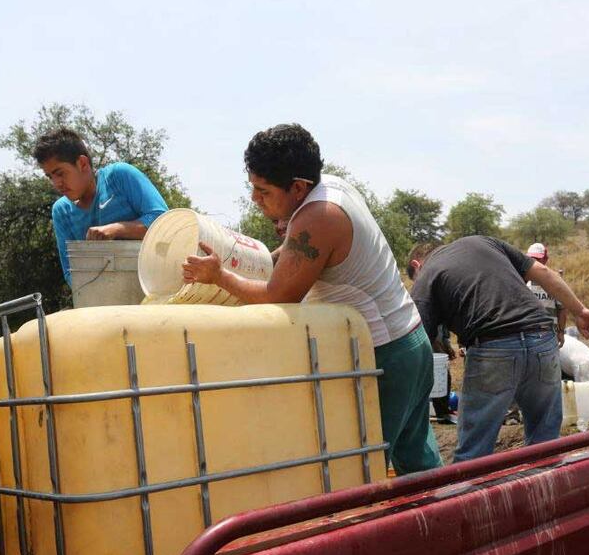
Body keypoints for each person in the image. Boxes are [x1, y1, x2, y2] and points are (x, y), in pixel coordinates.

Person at [182, 123, 442, 474]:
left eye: (263, 191)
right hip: (410, 341)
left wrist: (220, 276)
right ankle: (443, 522)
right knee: (417, 462)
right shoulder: (330, 188)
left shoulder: (319, 217)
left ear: (298, 187)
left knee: (360, 468)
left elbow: (278, 297)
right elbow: (297, 254)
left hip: (385, 357)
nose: (256, 199)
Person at [407, 237, 589, 462]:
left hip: (493, 346)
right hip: (542, 338)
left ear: (416, 266)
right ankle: (543, 492)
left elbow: (419, 341)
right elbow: (545, 273)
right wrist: (580, 310)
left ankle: (470, 495)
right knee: (546, 444)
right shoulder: (484, 242)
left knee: (474, 451)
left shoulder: (427, 273)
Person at [33, 128, 169, 285]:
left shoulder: (119, 176)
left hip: (153, 289)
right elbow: (71, 272)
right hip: (105, 302)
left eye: (60, 173)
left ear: (82, 163)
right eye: (50, 177)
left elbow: (163, 224)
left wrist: (116, 230)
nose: (56, 184)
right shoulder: (61, 211)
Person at [525, 243, 568, 346]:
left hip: (549, 334)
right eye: (531, 258)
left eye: (537, 259)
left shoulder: (554, 282)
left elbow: (562, 309)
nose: (534, 262)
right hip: (528, 334)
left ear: (545, 260)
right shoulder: (523, 281)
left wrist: (561, 332)